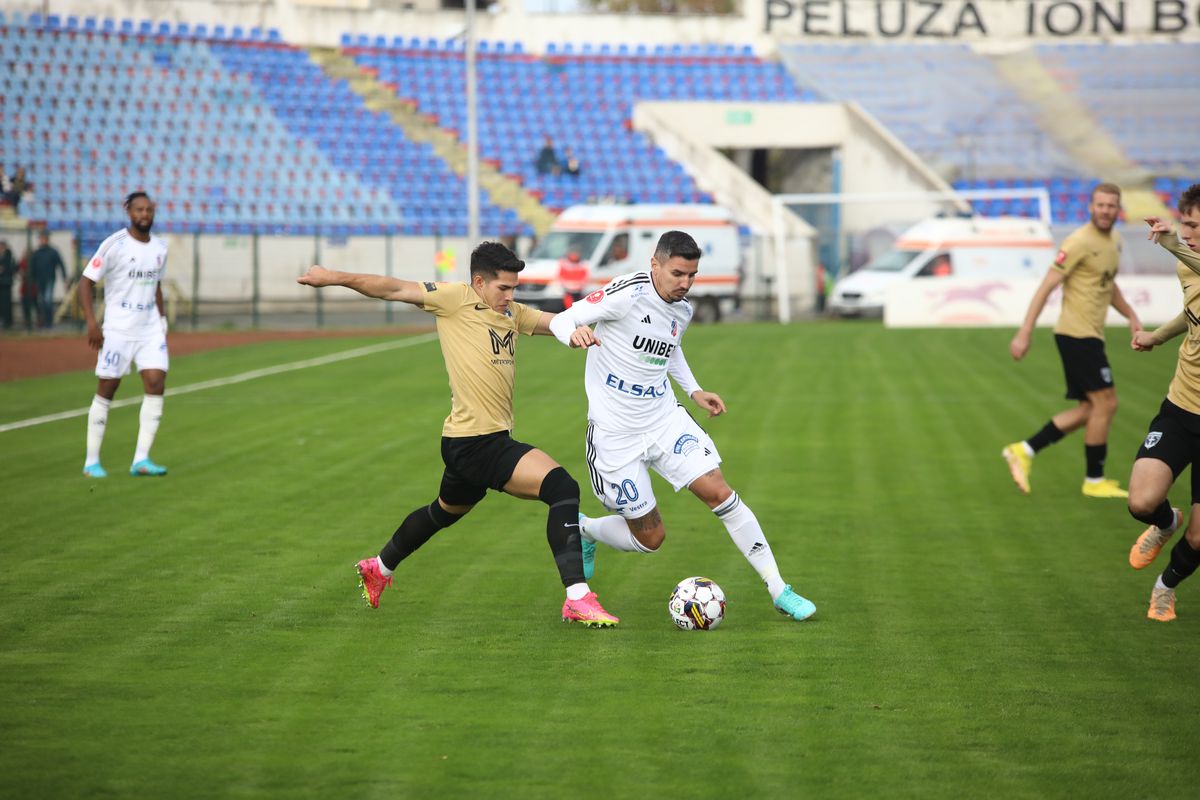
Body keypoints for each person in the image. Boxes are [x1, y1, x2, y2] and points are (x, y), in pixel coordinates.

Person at [296, 241, 619, 627]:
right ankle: (577, 598)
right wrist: (333, 277)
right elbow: (392, 288)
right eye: (503, 288)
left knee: (443, 512)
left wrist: (577, 330)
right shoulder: (454, 299)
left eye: (515, 288)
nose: (510, 296)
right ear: (479, 282)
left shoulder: (510, 312)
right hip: (478, 442)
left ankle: (378, 567)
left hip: (465, 442)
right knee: (562, 489)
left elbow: (552, 322)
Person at [547, 230, 817, 621]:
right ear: (654, 264)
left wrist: (693, 390)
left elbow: (669, 350)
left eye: (692, 276)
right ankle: (588, 532)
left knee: (719, 492)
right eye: (677, 274)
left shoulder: (682, 309)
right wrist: (573, 334)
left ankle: (779, 589)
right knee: (651, 539)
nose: (685, 284)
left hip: (664, 420)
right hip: (615, 434)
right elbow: (564, 317)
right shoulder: (626, 293)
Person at [1003, 182, 1141, 498]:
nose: (1106, 210)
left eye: (1111, 205)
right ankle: (1094, 480)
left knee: (1090, 409)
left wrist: (1130, 314)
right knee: (1107, 401)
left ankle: (1024, 449)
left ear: (1118, 209)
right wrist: (1025, 331)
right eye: (1101, 205)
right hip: (1076, 335)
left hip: (1091, 334)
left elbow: (1107, 284)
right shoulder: (1078, 241)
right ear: (1090, 207)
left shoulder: (1115, 241)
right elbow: (1047, 285)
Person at [1125, 184, 1200, 622]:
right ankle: (1165, 522)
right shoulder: (1188, 269)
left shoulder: (1185, 255)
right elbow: (1193, 315)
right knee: (1140, 502)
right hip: (1181, 406)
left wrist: (1172, 242)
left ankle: (1165, 587)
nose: (1185, 231)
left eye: (1193, 225)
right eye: (1184, 223)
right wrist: (1157, 335)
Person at [78, 192, 171, 478]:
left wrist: (163, 319)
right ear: (128, 212)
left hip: (149, 327)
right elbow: (85, 282)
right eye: (139, 210)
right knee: (108, 386)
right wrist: (92, 322)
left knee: (156, 382)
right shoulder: (114, 244)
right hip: (118, 327)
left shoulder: (160, 247)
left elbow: (156, 285)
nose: (144, 214)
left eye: (148, 210)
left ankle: (141, 459)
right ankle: (91, 461)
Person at [30, 230, 67, 328]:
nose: (42, 240)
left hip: (50, 279)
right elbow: (32, 267)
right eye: (41, 238)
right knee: (42, 302)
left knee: (47, 300)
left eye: (44, 238)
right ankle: (44, 322)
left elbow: (61, 264)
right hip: (39, 280)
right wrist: (32, 280)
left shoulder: (53, 252)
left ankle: (49, 322)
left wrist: (64, 278)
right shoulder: (37, 253)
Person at [0, 240, 15, 330]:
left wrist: (4, 269)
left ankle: (8, 322)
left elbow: (12, 268)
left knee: (6, 303)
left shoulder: (9, 257)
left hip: (6, 283)